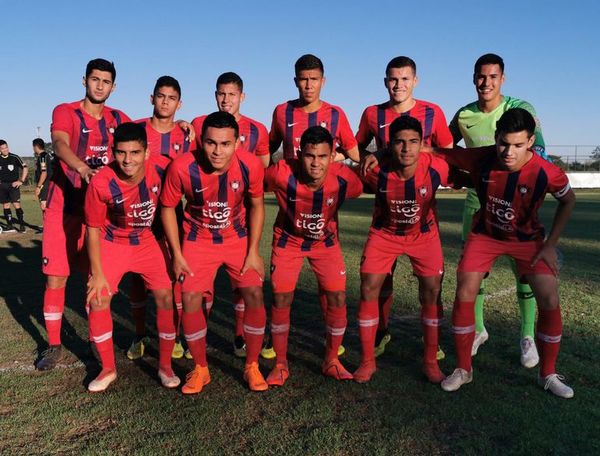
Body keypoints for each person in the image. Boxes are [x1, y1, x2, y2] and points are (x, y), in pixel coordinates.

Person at [438, 108, 575, 398]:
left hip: (527, 240)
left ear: (530, 142)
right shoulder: (483, 156)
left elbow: (568, 200)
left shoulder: (547, 172)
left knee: (549, 296)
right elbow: (440, 153)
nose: (508, 152)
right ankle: (464, 369)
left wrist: (550, 243)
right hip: (485, 235)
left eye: (517, 145)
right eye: (503, 143)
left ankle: (547, 374)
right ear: (496, 137)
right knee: (465, 290)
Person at [449, 53, 548, 367]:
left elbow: (540, 150)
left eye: (492, 77)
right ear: (473, 77)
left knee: (525, 273)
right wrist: (453, 174)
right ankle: (478, 330)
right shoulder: (464, 115)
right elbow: (445, 150)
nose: (486, 82)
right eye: (481, 76)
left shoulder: (520, 109)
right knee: (474, 274)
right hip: (477, 208)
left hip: (518, 209)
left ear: (502, 79)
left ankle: (528, 336)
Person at [160, 111, 268, 393]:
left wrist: (254, 251)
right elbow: (167, 207)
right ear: (201, 141)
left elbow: (257, 205)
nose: (217, 151)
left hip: (237, 239)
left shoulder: (251, 165)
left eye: (225, 144)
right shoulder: (182, 167)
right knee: (191, 299)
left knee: (254, 293)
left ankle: (252, 366)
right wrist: (178, 253)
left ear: (237, 143)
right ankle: (201, 369)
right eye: (210, 143)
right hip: (198, 241)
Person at [355, 56, 453, 357]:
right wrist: (374, 158)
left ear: (416, 81)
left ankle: (430, 340)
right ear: (385, 81)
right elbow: (357, 148)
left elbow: (446, 152)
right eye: (393, 79)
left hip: (422, 212)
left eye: (405, 79)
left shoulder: (432, 112)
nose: (399, 85)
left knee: (431, 282)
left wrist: (411, 151)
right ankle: (382, 331)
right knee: (380, 279)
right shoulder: (372, 113)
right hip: (385, 213)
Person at [36, 58, 131, 371]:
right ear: (85, 81)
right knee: (56, 277)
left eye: (106, 81)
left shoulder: (119, 118)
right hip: (63, 206)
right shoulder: (66, 111)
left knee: (96, 279)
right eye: (95, 79)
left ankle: (95, 339)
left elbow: (147, 136)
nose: (100, 85)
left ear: (113, 86)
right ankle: (53, 344)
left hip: (99, 213)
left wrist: (182, 126)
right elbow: (60, 144)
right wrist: (82, 168)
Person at [264, 126, 362, 386]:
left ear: (332, 156)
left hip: (325, 244)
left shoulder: (345, 179)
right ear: (299, 154)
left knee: (337, 297)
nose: (316, 163)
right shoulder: (281, 173)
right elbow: (254, 186)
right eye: (310, 156)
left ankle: (331, 360)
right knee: (282, 298)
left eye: (322, 156)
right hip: (289, 241)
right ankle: (281, 364)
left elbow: (362, 185)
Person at [84, 122, 179, 392]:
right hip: (113, 241)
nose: (128, 160)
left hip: (148, 241)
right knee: (98, 297)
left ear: (147, 153)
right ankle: (107, 369)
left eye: (135, 152)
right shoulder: (101, 182)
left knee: (165, 297)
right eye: (122, 153)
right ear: (113, 152)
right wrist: (98, 272)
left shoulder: (162, 167)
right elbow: (92, 230)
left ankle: (165, 366)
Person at [191, 72, 270, 358]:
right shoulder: (200, 123)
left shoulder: (258, 129)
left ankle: (240, 335)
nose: (226, 99)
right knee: (200, 284)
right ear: (215, 95)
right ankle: (192, 337)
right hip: (206, 215)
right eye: (221, 94)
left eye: (232, 94)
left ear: (242, 97)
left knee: (245, 281)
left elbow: (260, 170)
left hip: (241, 215)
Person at [126, 75, 195, 361]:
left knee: (174, 274)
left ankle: (175, 335)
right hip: (137, 214)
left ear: (179, 104)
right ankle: (139, 334)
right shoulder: (136, 129)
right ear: (151, 98)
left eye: (171, 98)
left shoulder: (186, 135)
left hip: (171, 213)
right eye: (161, 96)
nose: (165, 102)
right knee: (136, 279)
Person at [269, 54, 360, 163]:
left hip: (323, 179)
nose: (309, 85)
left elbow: (354, 153)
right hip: (290, 178)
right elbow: (266, 149)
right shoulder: (281, 111)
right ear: (296, 82)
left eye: (314, 79)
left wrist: (329, 158)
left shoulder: (335, 114)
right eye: (303, 79)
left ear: (323, 81)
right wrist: (273, 172)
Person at [0, 139, 28, 232]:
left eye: (6, 147)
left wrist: (21, 180)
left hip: (13, 185)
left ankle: (22, 225)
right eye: (3, 148)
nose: (5, 149)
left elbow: (25, 167)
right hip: (2, 186)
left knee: (16, 204)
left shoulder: (14, 157)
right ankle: (10, 225)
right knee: (6, 205)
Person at [32, 138, 53, 221]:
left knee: (44, 205)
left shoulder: (42, 157)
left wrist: (38, 186)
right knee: (46, 205)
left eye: (33, 146)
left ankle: (48, 227)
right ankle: (48, 226)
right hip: (49, 183)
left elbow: (44, 173)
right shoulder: (47, 155)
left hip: (45, 184)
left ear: (36, 146)